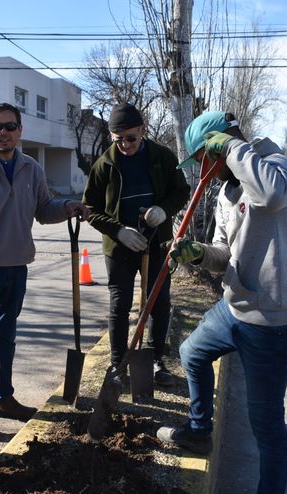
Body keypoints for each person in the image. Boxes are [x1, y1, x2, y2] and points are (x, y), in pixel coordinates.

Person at [156, 111, 287, 494]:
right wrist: (197, 253)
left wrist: (231, 147)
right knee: (192, 352)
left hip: (271, 319)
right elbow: (224, 252)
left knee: (266, 425)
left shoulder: (276, 167)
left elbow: (273, 196)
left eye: (205, 158)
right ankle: (200, 430)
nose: (203, 171)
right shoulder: (227, 189)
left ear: (219, 145)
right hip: (235, 307)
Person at [0, 102, 90, 448]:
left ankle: (3, 398)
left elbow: (44, 209)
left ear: (20, 131)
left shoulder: (31, 168)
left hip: (16, 268)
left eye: (10, 127)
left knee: (6, 336)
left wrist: (68, 207)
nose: (4, 133)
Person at [82, 102, 189, 387]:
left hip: (156, 242)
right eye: (119, 140)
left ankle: (155, 360)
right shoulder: (104, 164)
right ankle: (118, 364)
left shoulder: (162, 157)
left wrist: (164, 210)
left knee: (158, 301)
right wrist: (118, 231)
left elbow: (182, 190)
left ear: (142, 130)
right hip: (120, 249)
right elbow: (89, 207)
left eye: (131, 138)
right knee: (120, 305)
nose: (126, 145)